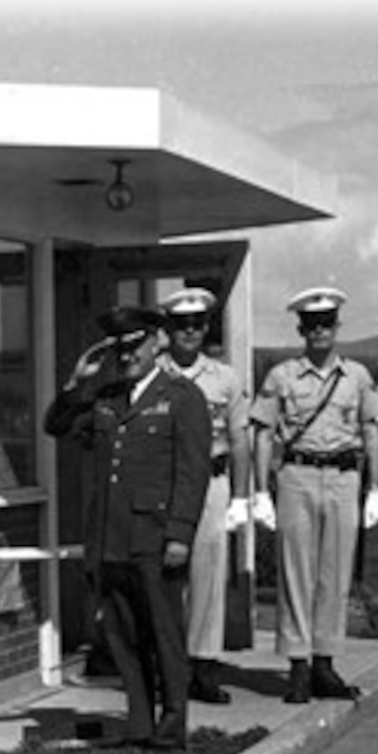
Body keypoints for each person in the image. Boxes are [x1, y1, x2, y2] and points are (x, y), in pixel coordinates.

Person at [44, 305, 211, 749]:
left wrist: (180, 534)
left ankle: (172, 727)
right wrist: (77, 381)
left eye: (135, 345)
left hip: (155, 539)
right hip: (110, 539)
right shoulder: (106, 396)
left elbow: (193, 474)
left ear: (157, 341)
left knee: (164, 634)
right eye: (120, 348)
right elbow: (56, 425)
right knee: (123, 635)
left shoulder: (182, 397)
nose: (127, 355)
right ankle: (140, 723)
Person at [248, 287, 378, 704]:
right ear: (301, 329)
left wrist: (376, 488)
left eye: (327, 323)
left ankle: (325, 662)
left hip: (344, 477)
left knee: (335, 573)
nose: (319, 332)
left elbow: (371, 433)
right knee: (296, 573)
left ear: (337, 327)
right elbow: (262, 435)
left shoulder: (358, 376)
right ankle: (297, 666)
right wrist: (259, 492)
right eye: (312, 325)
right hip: (298, 475)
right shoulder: (281, 376)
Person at [156, 287, 253, 704]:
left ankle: (204, 668)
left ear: (207, 327)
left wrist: (242, 498)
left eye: (197, 324)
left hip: (212, 484)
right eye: (181, 325)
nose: (189, 332)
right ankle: (167, 667)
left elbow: (239, 439)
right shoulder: (153, 374)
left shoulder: (225, 378)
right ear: (168, 329)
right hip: (164, 484)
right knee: (163, 577)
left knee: (208, 577)